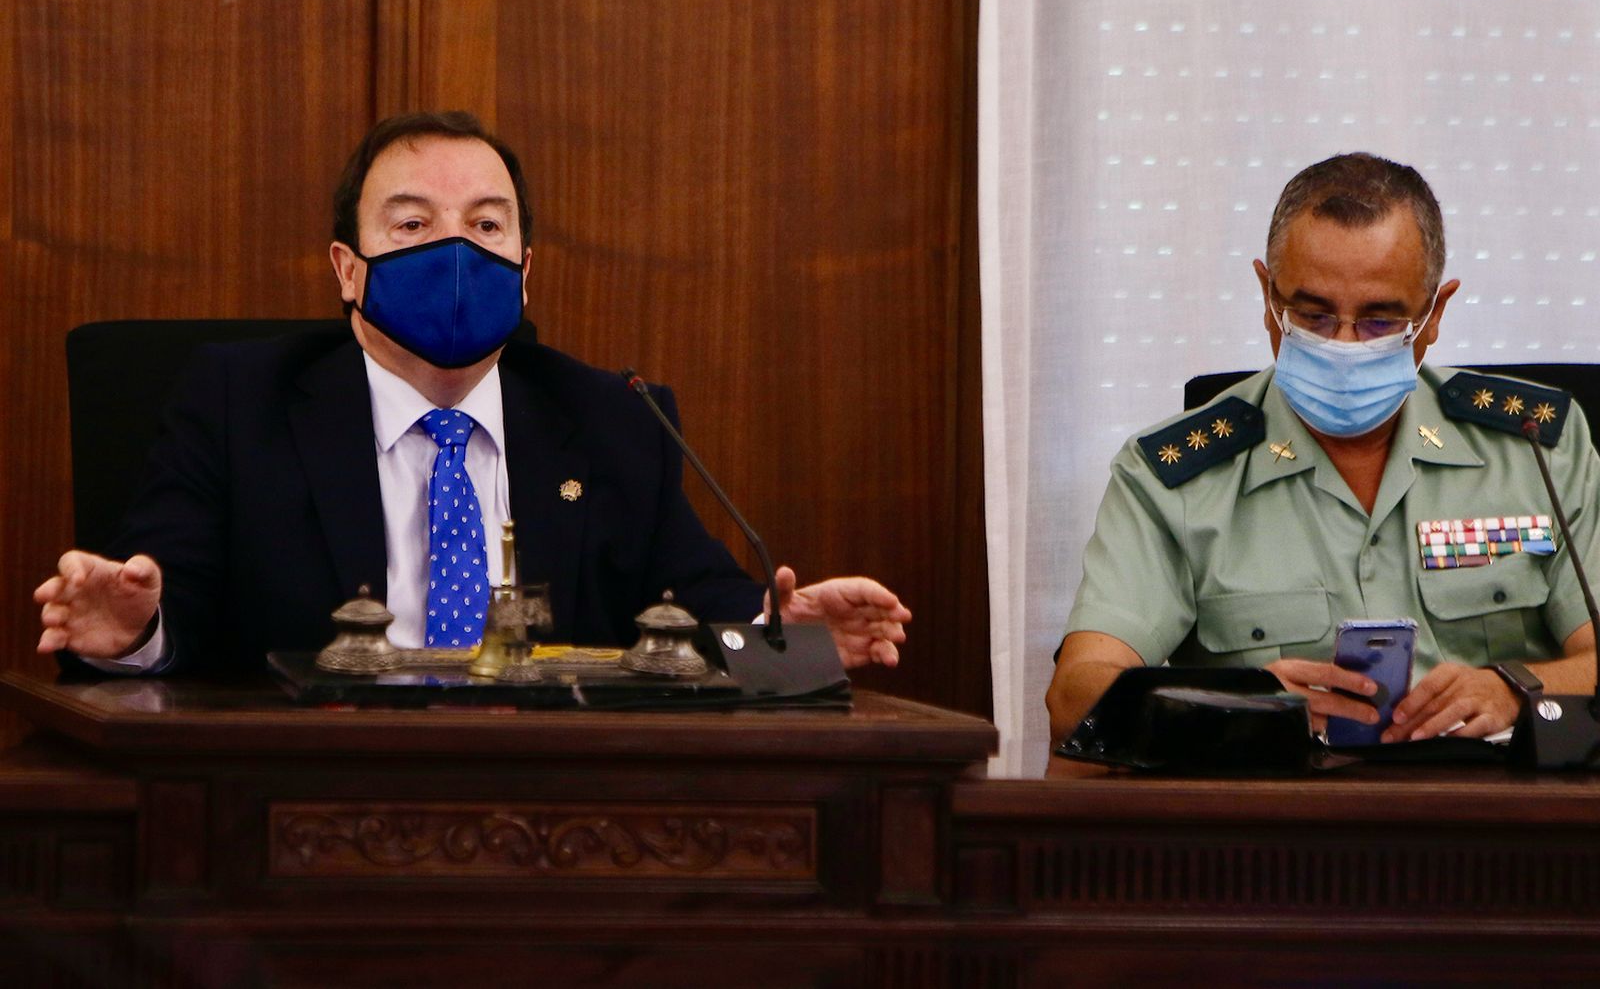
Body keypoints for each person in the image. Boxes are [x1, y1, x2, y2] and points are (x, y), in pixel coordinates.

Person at [34, 111, 910, 675]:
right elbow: (158, 598)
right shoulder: (239, 400)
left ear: (524, 274)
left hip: (553, 813)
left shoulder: (609, 417)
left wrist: (778, 636)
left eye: (486, 226)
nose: (456, 252)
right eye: (412, 224)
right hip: (303, 798)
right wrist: (131, 630)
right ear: (348, 269)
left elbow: (696, 599)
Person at [1046, 152, 1598, 745]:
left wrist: (1515, 688)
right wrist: (1247, 704)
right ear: (1267, 296)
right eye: (1312, 315)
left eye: (1380, 323)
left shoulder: (1537, 446)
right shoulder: (1174, 477)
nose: (1344, 345)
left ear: (1434, 314)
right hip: (1279, 826)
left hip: (1495, 822)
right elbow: (1075, 695)